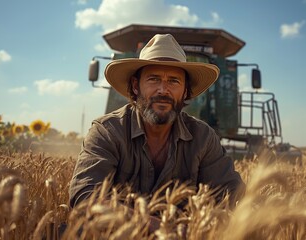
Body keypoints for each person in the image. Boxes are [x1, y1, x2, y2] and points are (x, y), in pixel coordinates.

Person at [69, 34, 245, 212]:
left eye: (173, 81)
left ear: (185, 91)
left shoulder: (204, 138)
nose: (163, 90)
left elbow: (233, 197)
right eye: (153, 79)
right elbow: (85, 196)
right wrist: (152, 226)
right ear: (136, 86)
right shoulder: (107, 131)